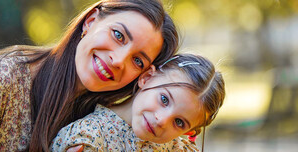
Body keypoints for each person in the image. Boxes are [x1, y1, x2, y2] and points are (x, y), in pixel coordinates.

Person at [0, 0, 179, 152]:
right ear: (90, 21)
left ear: (144, 77)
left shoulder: (107, 128)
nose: (118, 60)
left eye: (137, 60)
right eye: (118, 35)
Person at [50, 53, 225, 152]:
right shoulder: (87, 138)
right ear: (147, 77)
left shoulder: (179, 149)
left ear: (190, 131)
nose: (162, 120)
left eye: (179, 122)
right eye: (164, 99)